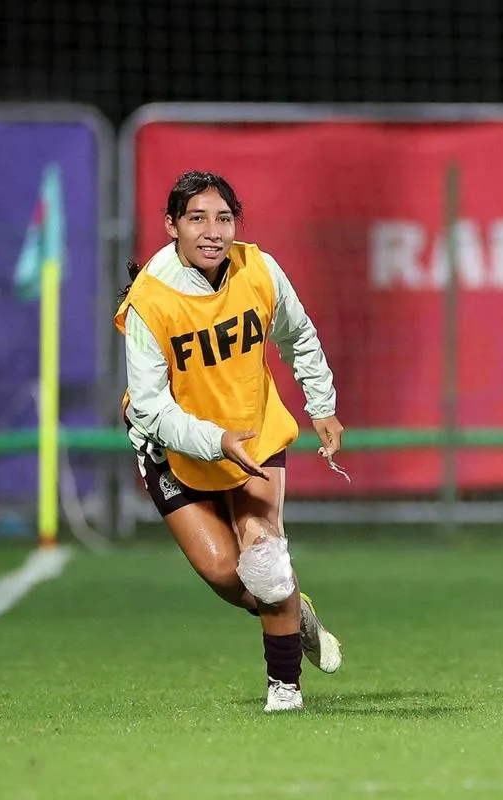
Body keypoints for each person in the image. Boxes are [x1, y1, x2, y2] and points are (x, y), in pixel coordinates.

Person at [114, 171, 344, 713]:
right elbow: (150, 406)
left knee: (263, 559)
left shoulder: (258, 268)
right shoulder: (151, 299)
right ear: (171, 225)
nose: (213, 231)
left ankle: (284, 690)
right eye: (197, 218)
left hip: (254, 430)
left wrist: (323, 403)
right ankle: (294, 609)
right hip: (174, 446)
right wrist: (215, 440)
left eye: (224, 218)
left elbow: (298, 333)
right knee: (224, 573)